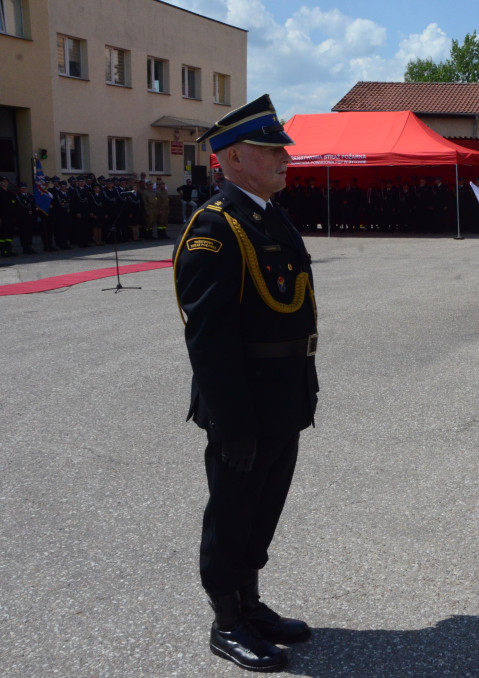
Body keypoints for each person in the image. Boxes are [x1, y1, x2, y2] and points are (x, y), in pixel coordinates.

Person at [173, 93, 318, 673]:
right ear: (232, 159)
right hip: (245, 404)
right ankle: (226, 619)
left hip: (282, 397)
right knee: (232, 510)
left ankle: (250, 602)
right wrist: (233, 422)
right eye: (270, 148)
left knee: (264, 507)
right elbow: (208, 341)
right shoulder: (215, 230)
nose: (285, 156)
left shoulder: (270, 215)